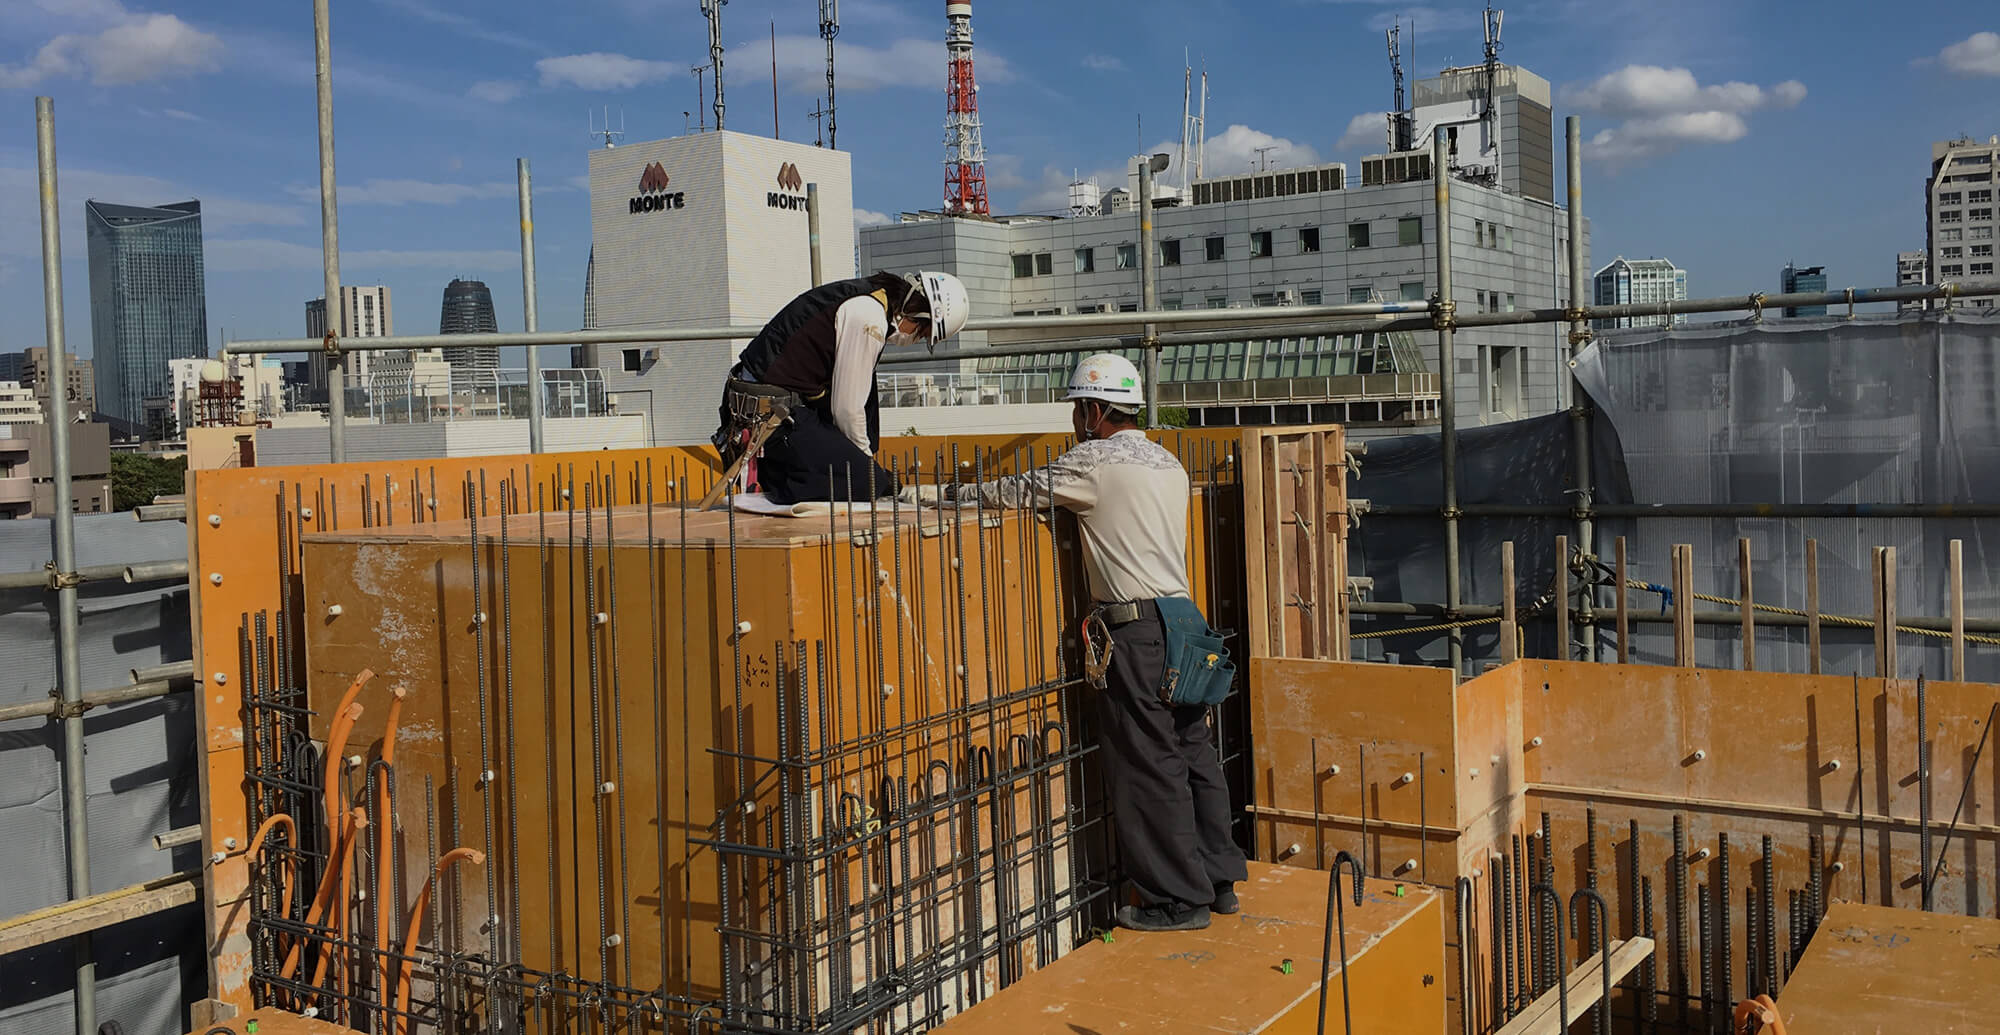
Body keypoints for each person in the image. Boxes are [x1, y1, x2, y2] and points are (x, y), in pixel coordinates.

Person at [901, 353, 1247, 932]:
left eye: (1076, 410)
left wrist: (934, 497)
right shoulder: (1169, 462)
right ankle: (1218, 881)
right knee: (1192, 750)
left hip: (1138, 632)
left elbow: (1009, 493)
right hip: (1187, 621)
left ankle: (1174, 901)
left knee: (1147, 762)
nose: (1073, 421)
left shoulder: (1092, 462)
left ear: (1092, 410)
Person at [713, 270, 969, 504]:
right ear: (919, 315)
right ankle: (779, 489)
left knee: (868, 411)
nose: (914, 339)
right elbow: (847, 409)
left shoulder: (870, 298)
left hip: (774, 404)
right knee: (866, 482)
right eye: (921, 333)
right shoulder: (870, 318)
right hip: (770, 417)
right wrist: (867, 468)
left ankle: (845, 477)